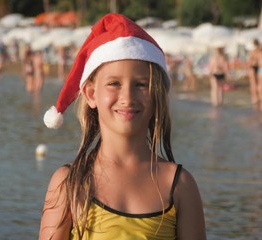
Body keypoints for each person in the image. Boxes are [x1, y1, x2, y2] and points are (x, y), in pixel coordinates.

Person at [40, 13, 206, 240]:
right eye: (114, 83)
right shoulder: (70, 183)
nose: (127, 97)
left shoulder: (179, 185)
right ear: (90, 94)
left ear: (157, 94)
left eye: (141, 84)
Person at [247, 39, 261, 107]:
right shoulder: (260, 51)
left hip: (253, 66)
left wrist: (248, 67)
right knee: (258, 83)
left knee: (253, 83)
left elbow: (249, 61)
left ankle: (254, 98)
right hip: (259, 67)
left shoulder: (253, 51)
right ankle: (258, 97)